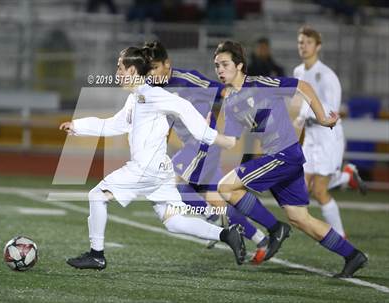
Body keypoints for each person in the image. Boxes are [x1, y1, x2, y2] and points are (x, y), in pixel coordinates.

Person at [60, 47, 245, 270]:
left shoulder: (152, 95)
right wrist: (78, 126)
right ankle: (227, 234)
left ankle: (96, 254)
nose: (116, 72)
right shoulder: (136, 97)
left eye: (119, 67)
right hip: (159, 170)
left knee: (97, 195)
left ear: (131, 69)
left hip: (145, 169)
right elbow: (113, 124)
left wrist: (214, 137)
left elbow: (184, 107)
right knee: (174, 222)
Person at [212, 40, 368, 278]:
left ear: (240, 65)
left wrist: (322, 117)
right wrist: (206, 135)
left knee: (225, 186)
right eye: (217, 66)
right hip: (281, 158)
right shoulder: (232, 102)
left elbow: (302, 86)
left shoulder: (260, 84)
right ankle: (352, 255)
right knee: (300, 217)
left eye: (224, 64)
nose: (220, 70)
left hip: (284, 154)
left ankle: (275, 229)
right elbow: (233, 141)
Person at [143, 40, 269, 263]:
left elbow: (225, 91)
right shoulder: (156, 87)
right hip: (194, 147)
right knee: (216, 199)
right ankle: (260, 239)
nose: (151, 73)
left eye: (154, 67)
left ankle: (212, 218)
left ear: (166, 64)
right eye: (148, 69)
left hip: (202, 144)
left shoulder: (186, 79)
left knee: (171, 184)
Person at [293, 26, 367, 238]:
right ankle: (346, 176)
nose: (303, 46)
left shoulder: (326, 76)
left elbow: (333, 114)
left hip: (328, 136)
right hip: (311, 137)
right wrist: (299, 116)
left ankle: (340, 236)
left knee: (319, 191)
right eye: (300, 42)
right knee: (302, 187)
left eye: (308, 42)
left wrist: (307, 117)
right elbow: (301, 103)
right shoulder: (298, 71)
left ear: (318, 46)